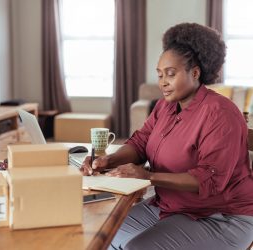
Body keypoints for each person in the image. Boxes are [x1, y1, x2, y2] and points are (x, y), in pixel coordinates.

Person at [81, 23, 253, 250]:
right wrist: (108, 161)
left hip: (221, 217)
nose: (163, 82)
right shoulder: (165, 106)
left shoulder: (220, 113)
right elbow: (141, 142)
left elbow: (208, 180)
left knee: (137, 247)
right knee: (98, 231)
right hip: (171, 207)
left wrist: (148, 176)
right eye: (160, 75)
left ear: (195, 73)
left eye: (170, 74)